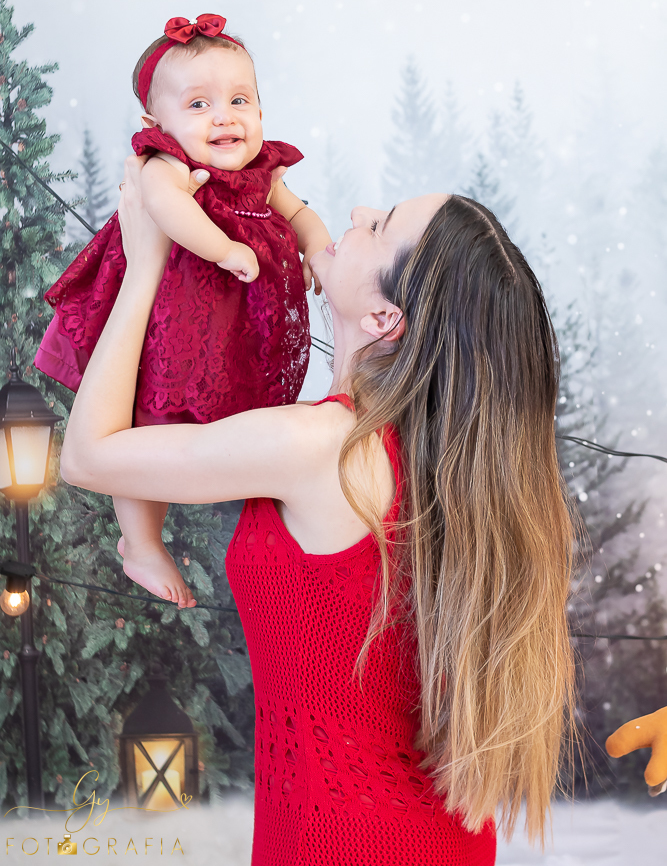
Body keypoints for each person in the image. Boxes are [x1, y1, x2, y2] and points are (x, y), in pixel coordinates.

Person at [60, 161, 576, 863]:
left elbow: (87, 456)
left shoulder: (315, 445)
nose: (358, 212)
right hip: (437, 839)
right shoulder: (452, 469)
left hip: (335, 843)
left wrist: (144, 260)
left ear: (382, 317)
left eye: (380, 224)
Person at [36, 14, 331, 607]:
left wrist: (320, 253)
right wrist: (224, 248)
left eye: (239, 100)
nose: (224, 117)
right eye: (199, 104)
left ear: (262, 113)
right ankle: (140, 540)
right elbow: (164, 207)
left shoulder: (262, 172)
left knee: (217, 418)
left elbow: (301, 215)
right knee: (145, 422)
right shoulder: (167, 163)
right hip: (163, 322)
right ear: (157, 124)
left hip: (223, 330)